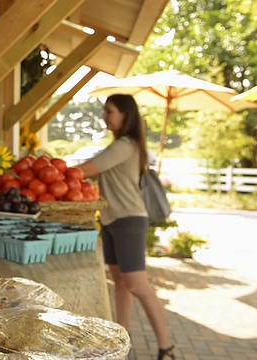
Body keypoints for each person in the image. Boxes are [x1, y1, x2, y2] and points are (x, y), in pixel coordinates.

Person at [74, 94, 175, 360]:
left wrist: (51, 167)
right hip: (112, 220)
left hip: (128, 221)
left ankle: (166, 347)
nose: (104, 116)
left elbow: (84, 170)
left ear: (124, 115)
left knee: (137, 285)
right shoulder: (122, 144)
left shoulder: (124, 145)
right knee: (120, 282)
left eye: (109, 111)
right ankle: (123, 337)